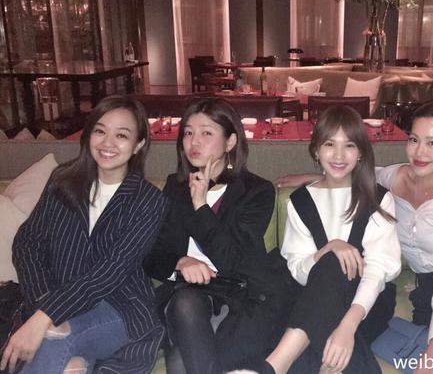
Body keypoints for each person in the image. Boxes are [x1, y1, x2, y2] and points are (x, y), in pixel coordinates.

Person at [276, 102, 433, 373]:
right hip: (417, 290)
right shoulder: (396, 177)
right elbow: (353, 172)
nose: (419, 152)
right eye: (414, 140)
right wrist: (312, 178)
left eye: (432, 143)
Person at [1, 96, 168, 374]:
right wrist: (43, 301)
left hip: (119, 306)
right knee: (56, 343)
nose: (107, 143)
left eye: (121, 135)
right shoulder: (62, 181)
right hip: (55, 295)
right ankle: (79, 364)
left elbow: (110, 271)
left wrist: (46, 316)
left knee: (53, 336)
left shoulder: (148, 201)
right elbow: (27, 244)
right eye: (100, 131)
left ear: (138, 144)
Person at [143, 98, 294, 374]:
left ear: (230, 142)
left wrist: (201, 205)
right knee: (185, 306)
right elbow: (151, 255)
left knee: (181, 362)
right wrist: (181, 262)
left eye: (206, 133)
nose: (194, 142)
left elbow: (231, 261)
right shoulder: (175, 187)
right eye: (188, 132)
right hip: (183, 297)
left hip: (236, 296)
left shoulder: (256, 191)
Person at [261, 106, 401, 374]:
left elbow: (378, 270)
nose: (338, 155)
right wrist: (328, 249)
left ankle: (274, 366)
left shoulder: (378, 199)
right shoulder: (301, 201)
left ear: (360, 152)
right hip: (312, 297)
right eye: (329, 144)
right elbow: (298, 271)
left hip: (366, 305)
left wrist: (347, 326)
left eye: (349, 145)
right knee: (330, 263)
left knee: (330, 273)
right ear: (316, 150)